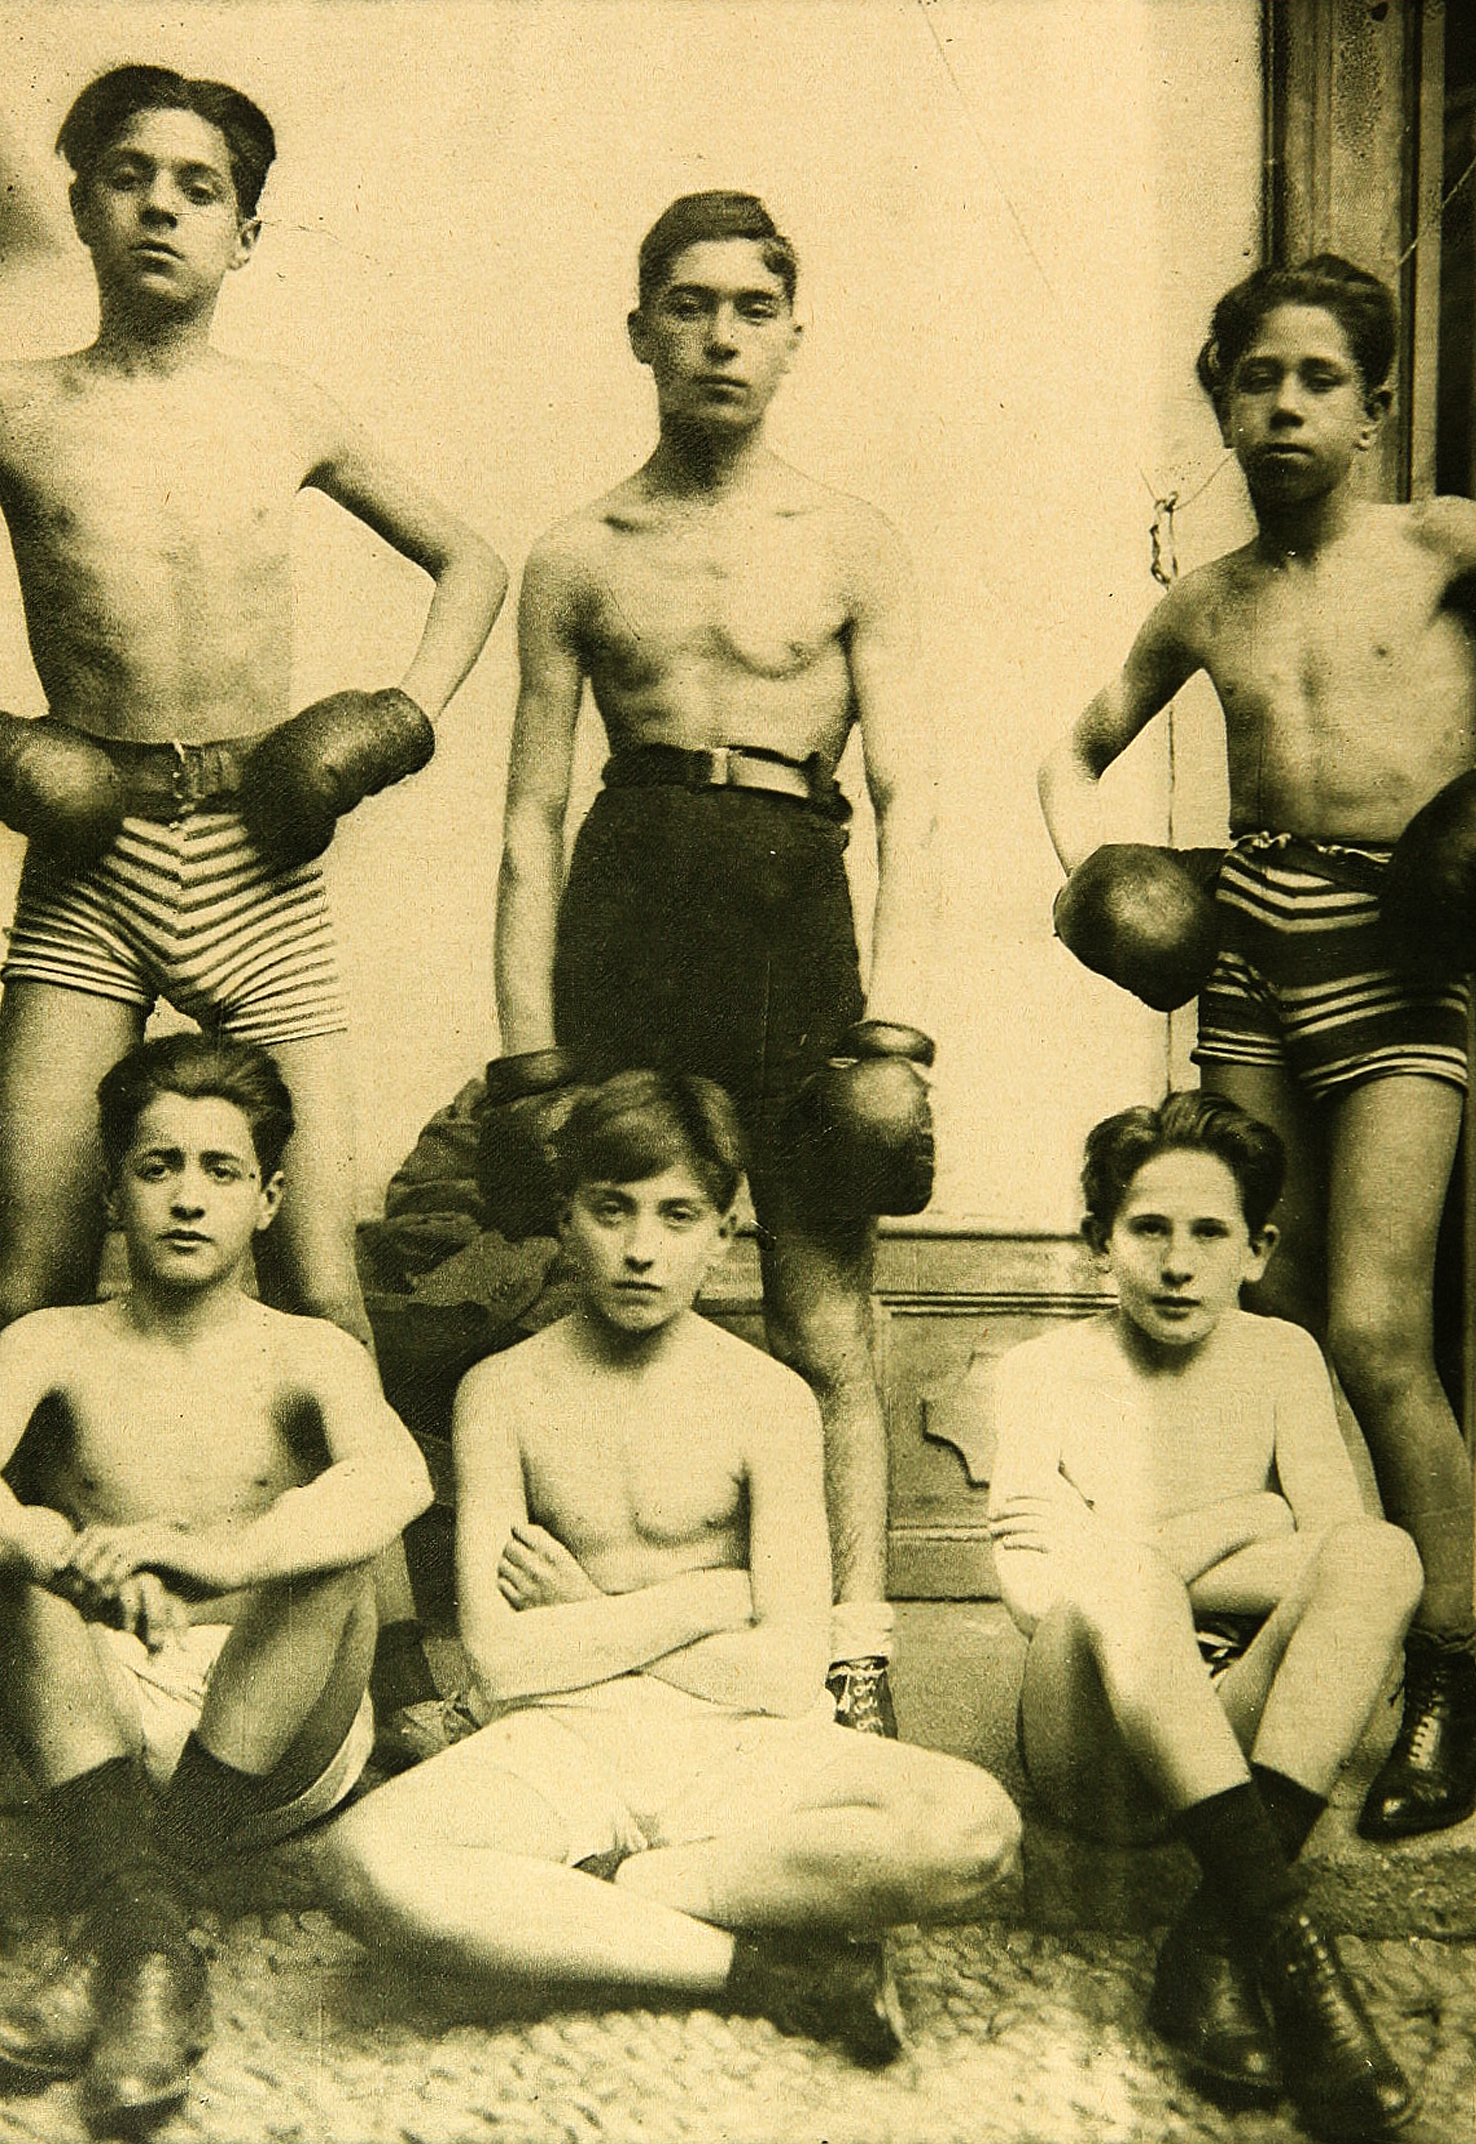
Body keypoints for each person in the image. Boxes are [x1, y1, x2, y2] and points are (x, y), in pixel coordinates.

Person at [0, 64, 508, 1733]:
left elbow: (474, 560)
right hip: (89, 860)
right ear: (81, 204)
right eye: (128, 174)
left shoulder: (287, 404)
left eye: (198, 185)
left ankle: (396, 1653)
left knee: (322, 1271)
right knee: (30, 1267)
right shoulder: (2, 404)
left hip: (262, 855)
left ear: (246, 231)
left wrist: (397, 719)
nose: (161, 205)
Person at [1038, 255, 1476, 1840]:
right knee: (1260, 1318)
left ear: (1376, 406)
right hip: (1253, 952)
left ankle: (1451, 1680)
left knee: (1375, 1329)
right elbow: (1076, 746)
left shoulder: (1442, 540)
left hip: (1400, 952)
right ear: (1222, 403)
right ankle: (1282, 1625)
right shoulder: (1205, 598)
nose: (1285, 404)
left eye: (1320, 378)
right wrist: (1094, 882)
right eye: (1257, 377)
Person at [313, 1071, 1018, 2063]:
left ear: (722, 1233)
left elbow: (787, 1674)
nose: (641, 1248)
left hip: (739, 1745)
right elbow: (504, 1664)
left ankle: (614, 1897)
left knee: (973, 1827)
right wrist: (711, 1597)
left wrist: (587, 1607)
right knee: (360, 1862)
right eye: (613, 1209)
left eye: (677, 1214)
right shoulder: (501, 1392)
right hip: (564, 1739)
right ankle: (758, 1969)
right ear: (565, 1218)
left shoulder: (768, 1398)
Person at [491, 192, 939, 1734]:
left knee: (824, 1317)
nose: (721, 337)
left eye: (753, 308)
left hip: (789, 923)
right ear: (640, 332)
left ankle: (854, 1654)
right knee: (603, 1280)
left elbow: (915, 800)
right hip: (628, 916)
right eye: (689, 306)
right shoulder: (577, 553)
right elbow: (531, 814)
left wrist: (899, 1030)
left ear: (794, 337)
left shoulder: (851, 542)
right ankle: (600, 1655)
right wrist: (526, 1051)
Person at [0, 1034, 432, 2130]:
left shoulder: (311, 1352)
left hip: (278, 1733)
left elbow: (399, 1477)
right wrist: (56, 1553)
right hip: (96, 1720)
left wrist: (228, 1555)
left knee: (334, 1542)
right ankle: (153, 1932)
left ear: (269, 1198)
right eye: (158, 1167)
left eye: (221, 1170)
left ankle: (135, 1903)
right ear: (112, 1191)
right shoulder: (52, 1342)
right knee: (5, 1545)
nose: (188, 1197)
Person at [990, 1092, 1422, 2139]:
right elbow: (1038, 1589)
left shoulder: (1281, 1356)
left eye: (1209, 1233)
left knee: (1382, 1554)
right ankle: (1292, 1954)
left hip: (1230, 1717)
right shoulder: (1041, 1371)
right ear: (1099, 1242)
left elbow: (1335, 1552)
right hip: (1092, 1738)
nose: (1177, 1264)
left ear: (1255, 1250)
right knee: (1118, 1580)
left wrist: (1127, 1545)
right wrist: (1241, 1518)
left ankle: (1224, 1940)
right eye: (1147, 1228)